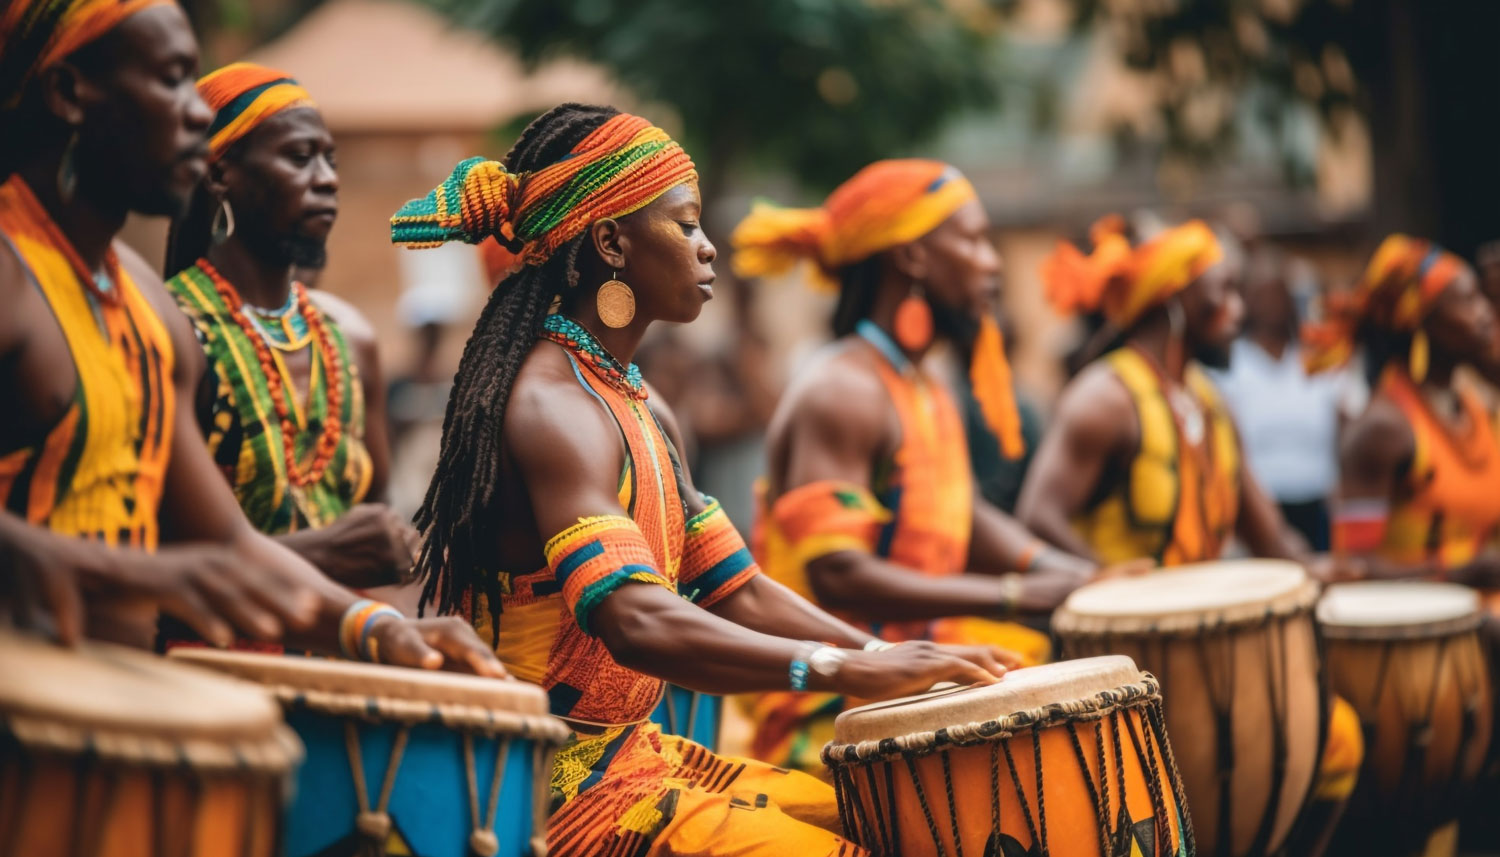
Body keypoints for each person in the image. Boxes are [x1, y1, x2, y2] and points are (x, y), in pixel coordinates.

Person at [391, 104, 1008, 857]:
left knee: (893, 819)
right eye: (685, 226)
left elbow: (734, 588)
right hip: (549, 789)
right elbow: (635, 619)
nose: (708, 246)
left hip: (638, 757)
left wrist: (880, 661)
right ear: (611, 242)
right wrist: (839, 665)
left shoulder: (637, 402)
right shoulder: (553, 407)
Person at [0, 0, 499, 674]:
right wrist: (132, 572)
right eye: (173, 79)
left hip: (129, 706)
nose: (197, 114)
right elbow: (195, 563)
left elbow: (227, 544)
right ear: (68, 93)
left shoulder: (144, 304)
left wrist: (375, 627)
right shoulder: (16, 273)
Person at [730, 159, 1099, 772]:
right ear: (912, 257)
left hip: (918, 668)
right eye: (974, 241)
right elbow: (838, 573)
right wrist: (1015, 594)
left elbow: (961, 515)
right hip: (836, 711)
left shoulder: (919, 383)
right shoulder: (844, 390)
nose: (992, 263)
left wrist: (1074, 573)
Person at [1018, 215, 1362, 852]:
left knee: (1335, 738)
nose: (1238, 310)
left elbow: (1271, 537)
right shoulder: (1106, 397)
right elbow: (1037, 515)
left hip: (1206, 657)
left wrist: (1331, 570)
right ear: (1174, 298)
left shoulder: (1209, 402)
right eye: (1223, 291)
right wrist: (1112, 587)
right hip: (1114, 664)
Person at [161, 62, 414, 590]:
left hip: (352, 636)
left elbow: (377, 534)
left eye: (330, 160)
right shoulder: (175, 330)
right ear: (219, 175)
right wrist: (322, 556)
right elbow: (156, 551)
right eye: (300, 158)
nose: (327, 179)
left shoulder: (350, 339)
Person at [1311, 235, 1500, 594]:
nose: (1486, 313)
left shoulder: (1476, 406)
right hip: (1429, 622)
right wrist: (1457, 574)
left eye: (1481, 298)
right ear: (1422, 322)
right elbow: (1352, 567)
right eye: (1467, 301)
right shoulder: (1385, 427)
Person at [1209, 246, 1363, 551]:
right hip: (1256, 512)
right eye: (1262, 295)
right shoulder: (1229, 367)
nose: (1271, 305)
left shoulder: (1318, 359)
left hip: (1319, 507)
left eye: (1277, 293)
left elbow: (1346, 426)